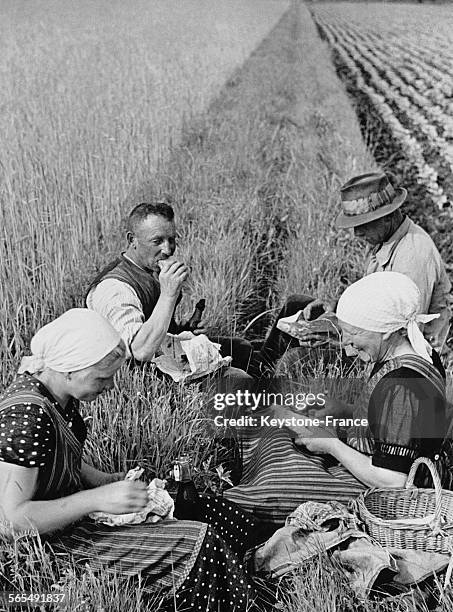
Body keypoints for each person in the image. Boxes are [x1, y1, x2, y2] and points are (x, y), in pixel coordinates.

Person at [0, 309, 274, 611]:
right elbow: (11, 521)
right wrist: (95, 499)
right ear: (69, 370)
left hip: (68, 517)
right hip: (52, 545)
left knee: (201, 505)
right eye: (103, 377)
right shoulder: (26, 418)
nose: (111, 386)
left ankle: (265, 565)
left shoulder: (57, 394)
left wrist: (102, 480)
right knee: (198, 543)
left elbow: (56, 457)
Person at [223, 272, 450, 525]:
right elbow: (398, 426)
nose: (346, 344)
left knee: (274, 490)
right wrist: (342, 410)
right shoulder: (416, 353)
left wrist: (331, 445)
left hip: (388, 493)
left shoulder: (404, 385)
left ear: (386, 332)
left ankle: (225, 505)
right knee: (280, 426)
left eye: (353, 333)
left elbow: (395, 481)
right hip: (375, 461)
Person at [258, 172, 451, 372]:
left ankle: (267, 390)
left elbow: (398, 334)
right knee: (295, 304)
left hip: (388, 356)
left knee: (295, 360)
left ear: (388, 217)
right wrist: (337, 304)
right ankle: (258, 373)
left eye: (363, 225)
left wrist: (339, 335)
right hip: (374, 334)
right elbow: (374, 301)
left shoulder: (414, 257)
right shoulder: (387, 238)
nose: (357, 233)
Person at [86, 201, 254, 373]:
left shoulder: (152, 270)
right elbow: (139, 351)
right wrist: (169, 294)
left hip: (163, 355)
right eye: (157, 241)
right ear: (132, 240)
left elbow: (160, 326)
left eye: (171, 239)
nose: (167, 249)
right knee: (237, 379)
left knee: (241, 348)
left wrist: (185, 329)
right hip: (139, 373)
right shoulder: (115, 288)